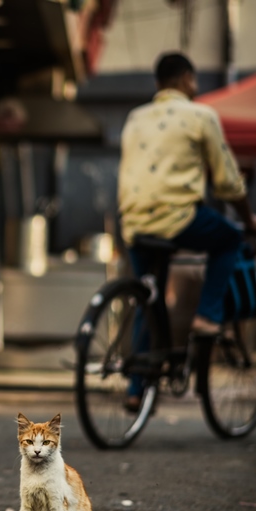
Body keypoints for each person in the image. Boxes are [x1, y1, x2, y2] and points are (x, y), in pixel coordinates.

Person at [118, 51, 256, 410]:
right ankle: (208, 316)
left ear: (157, 83)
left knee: (149, 296)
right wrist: (248, 218)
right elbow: (227, 181)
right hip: (177, 218)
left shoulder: (135, 117)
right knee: (228, 238)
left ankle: (135, 389)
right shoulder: (200, 115)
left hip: (133, 222)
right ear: (187, 80)